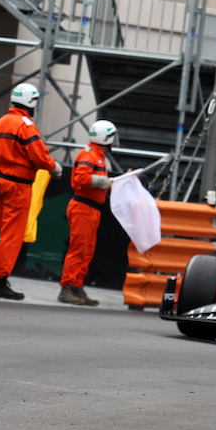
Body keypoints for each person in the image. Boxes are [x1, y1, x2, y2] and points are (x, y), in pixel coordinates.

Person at [0, 82, 61, 301]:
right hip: (17, 185)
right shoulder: (25, 125)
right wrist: (54, 167)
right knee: (11, 234)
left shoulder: (2, 121)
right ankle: (0, 280)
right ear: (31, 103)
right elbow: (39, 155)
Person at [58, 120, 119, 307]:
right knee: (78, 249)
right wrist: (104, 182)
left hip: (91, 208)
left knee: (86, 251)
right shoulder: (90, 155)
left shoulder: (98, 156)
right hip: (83, 208)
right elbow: (81, 178)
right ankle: (67, 287)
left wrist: (105, 182)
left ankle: (77, 286)